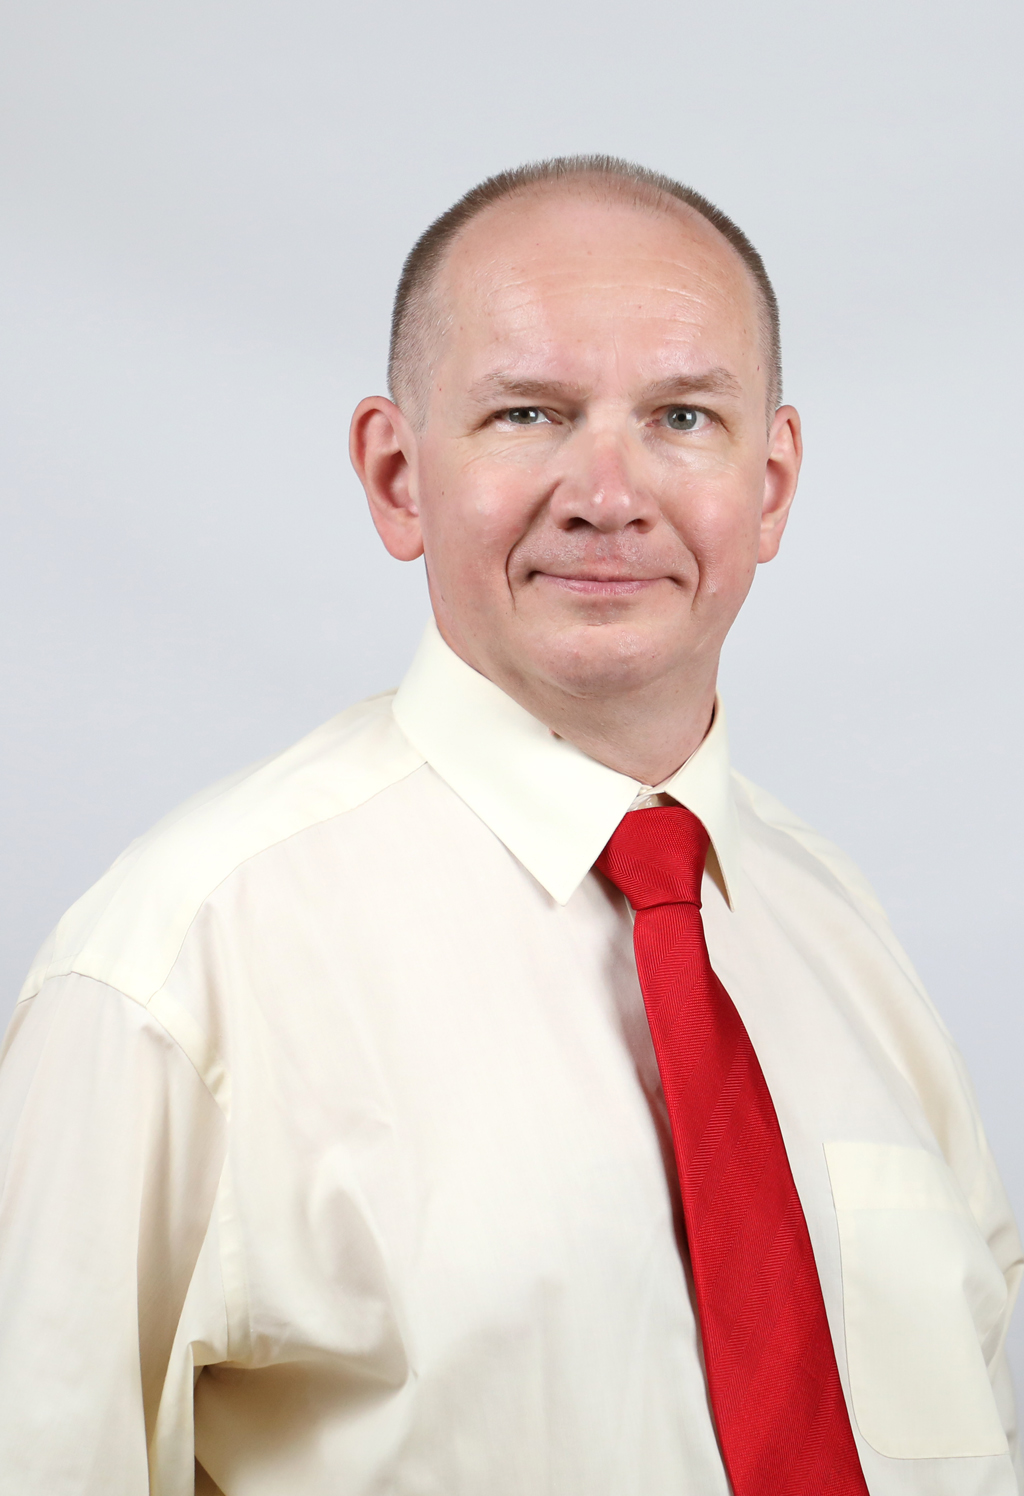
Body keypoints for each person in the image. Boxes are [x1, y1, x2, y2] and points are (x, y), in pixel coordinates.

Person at [0, 154, 1019, 1496]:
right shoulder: (173, 975)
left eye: (685, 417)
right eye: (530, 413)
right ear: (396, 475)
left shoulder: (842, 933)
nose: (609, 493)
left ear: (770, 486)